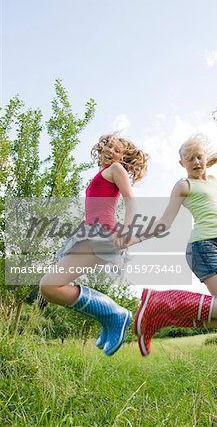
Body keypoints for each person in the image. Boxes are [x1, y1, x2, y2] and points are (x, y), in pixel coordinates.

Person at [119, 133, 217, 356]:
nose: (195, 162)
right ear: (181, 163)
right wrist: (132, 239)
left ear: (205, 158)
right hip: (203, 247)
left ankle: (162, 318)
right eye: (189, 158)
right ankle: (160, 301)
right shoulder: (184, 186)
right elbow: (164, 223)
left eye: (199, 157)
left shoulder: (214, 181)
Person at [39, 133, 148, 356]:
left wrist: (127, 232)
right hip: (90, 232)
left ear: (123, 157)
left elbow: (131, 199)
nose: (111, 151)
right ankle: (111, 318)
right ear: (101, 147)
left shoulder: (116, 169)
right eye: (108, 146)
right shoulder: (101, 174)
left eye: (117, 150)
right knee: (50, 287)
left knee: (50, 286)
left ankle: (115, 315)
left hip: (101, 234)